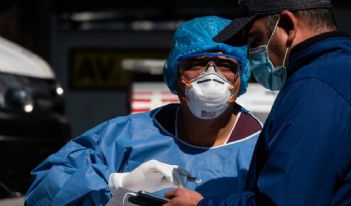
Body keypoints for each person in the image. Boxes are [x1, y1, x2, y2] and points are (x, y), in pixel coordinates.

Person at [164, 0, 351, 205]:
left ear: (287, 26)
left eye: (255, 40)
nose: (255, 55)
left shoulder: (315, 88)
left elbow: (285, 201)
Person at [24, 16, 263, 205]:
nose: (211, 77)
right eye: (196, 64)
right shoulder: (127, 136)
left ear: (240, 78)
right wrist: (116, 183)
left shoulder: (263, 148)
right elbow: (43, 192)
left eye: (225, 65)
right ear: (176, 77)